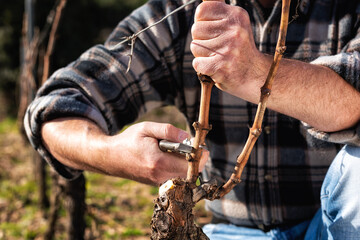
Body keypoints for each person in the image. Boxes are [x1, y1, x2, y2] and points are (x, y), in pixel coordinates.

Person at [24, 0, 360, 239]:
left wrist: (256, 72)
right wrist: (111, 153)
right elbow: (55, 107)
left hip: (337, 226)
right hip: (232, 232)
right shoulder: (178, 15)